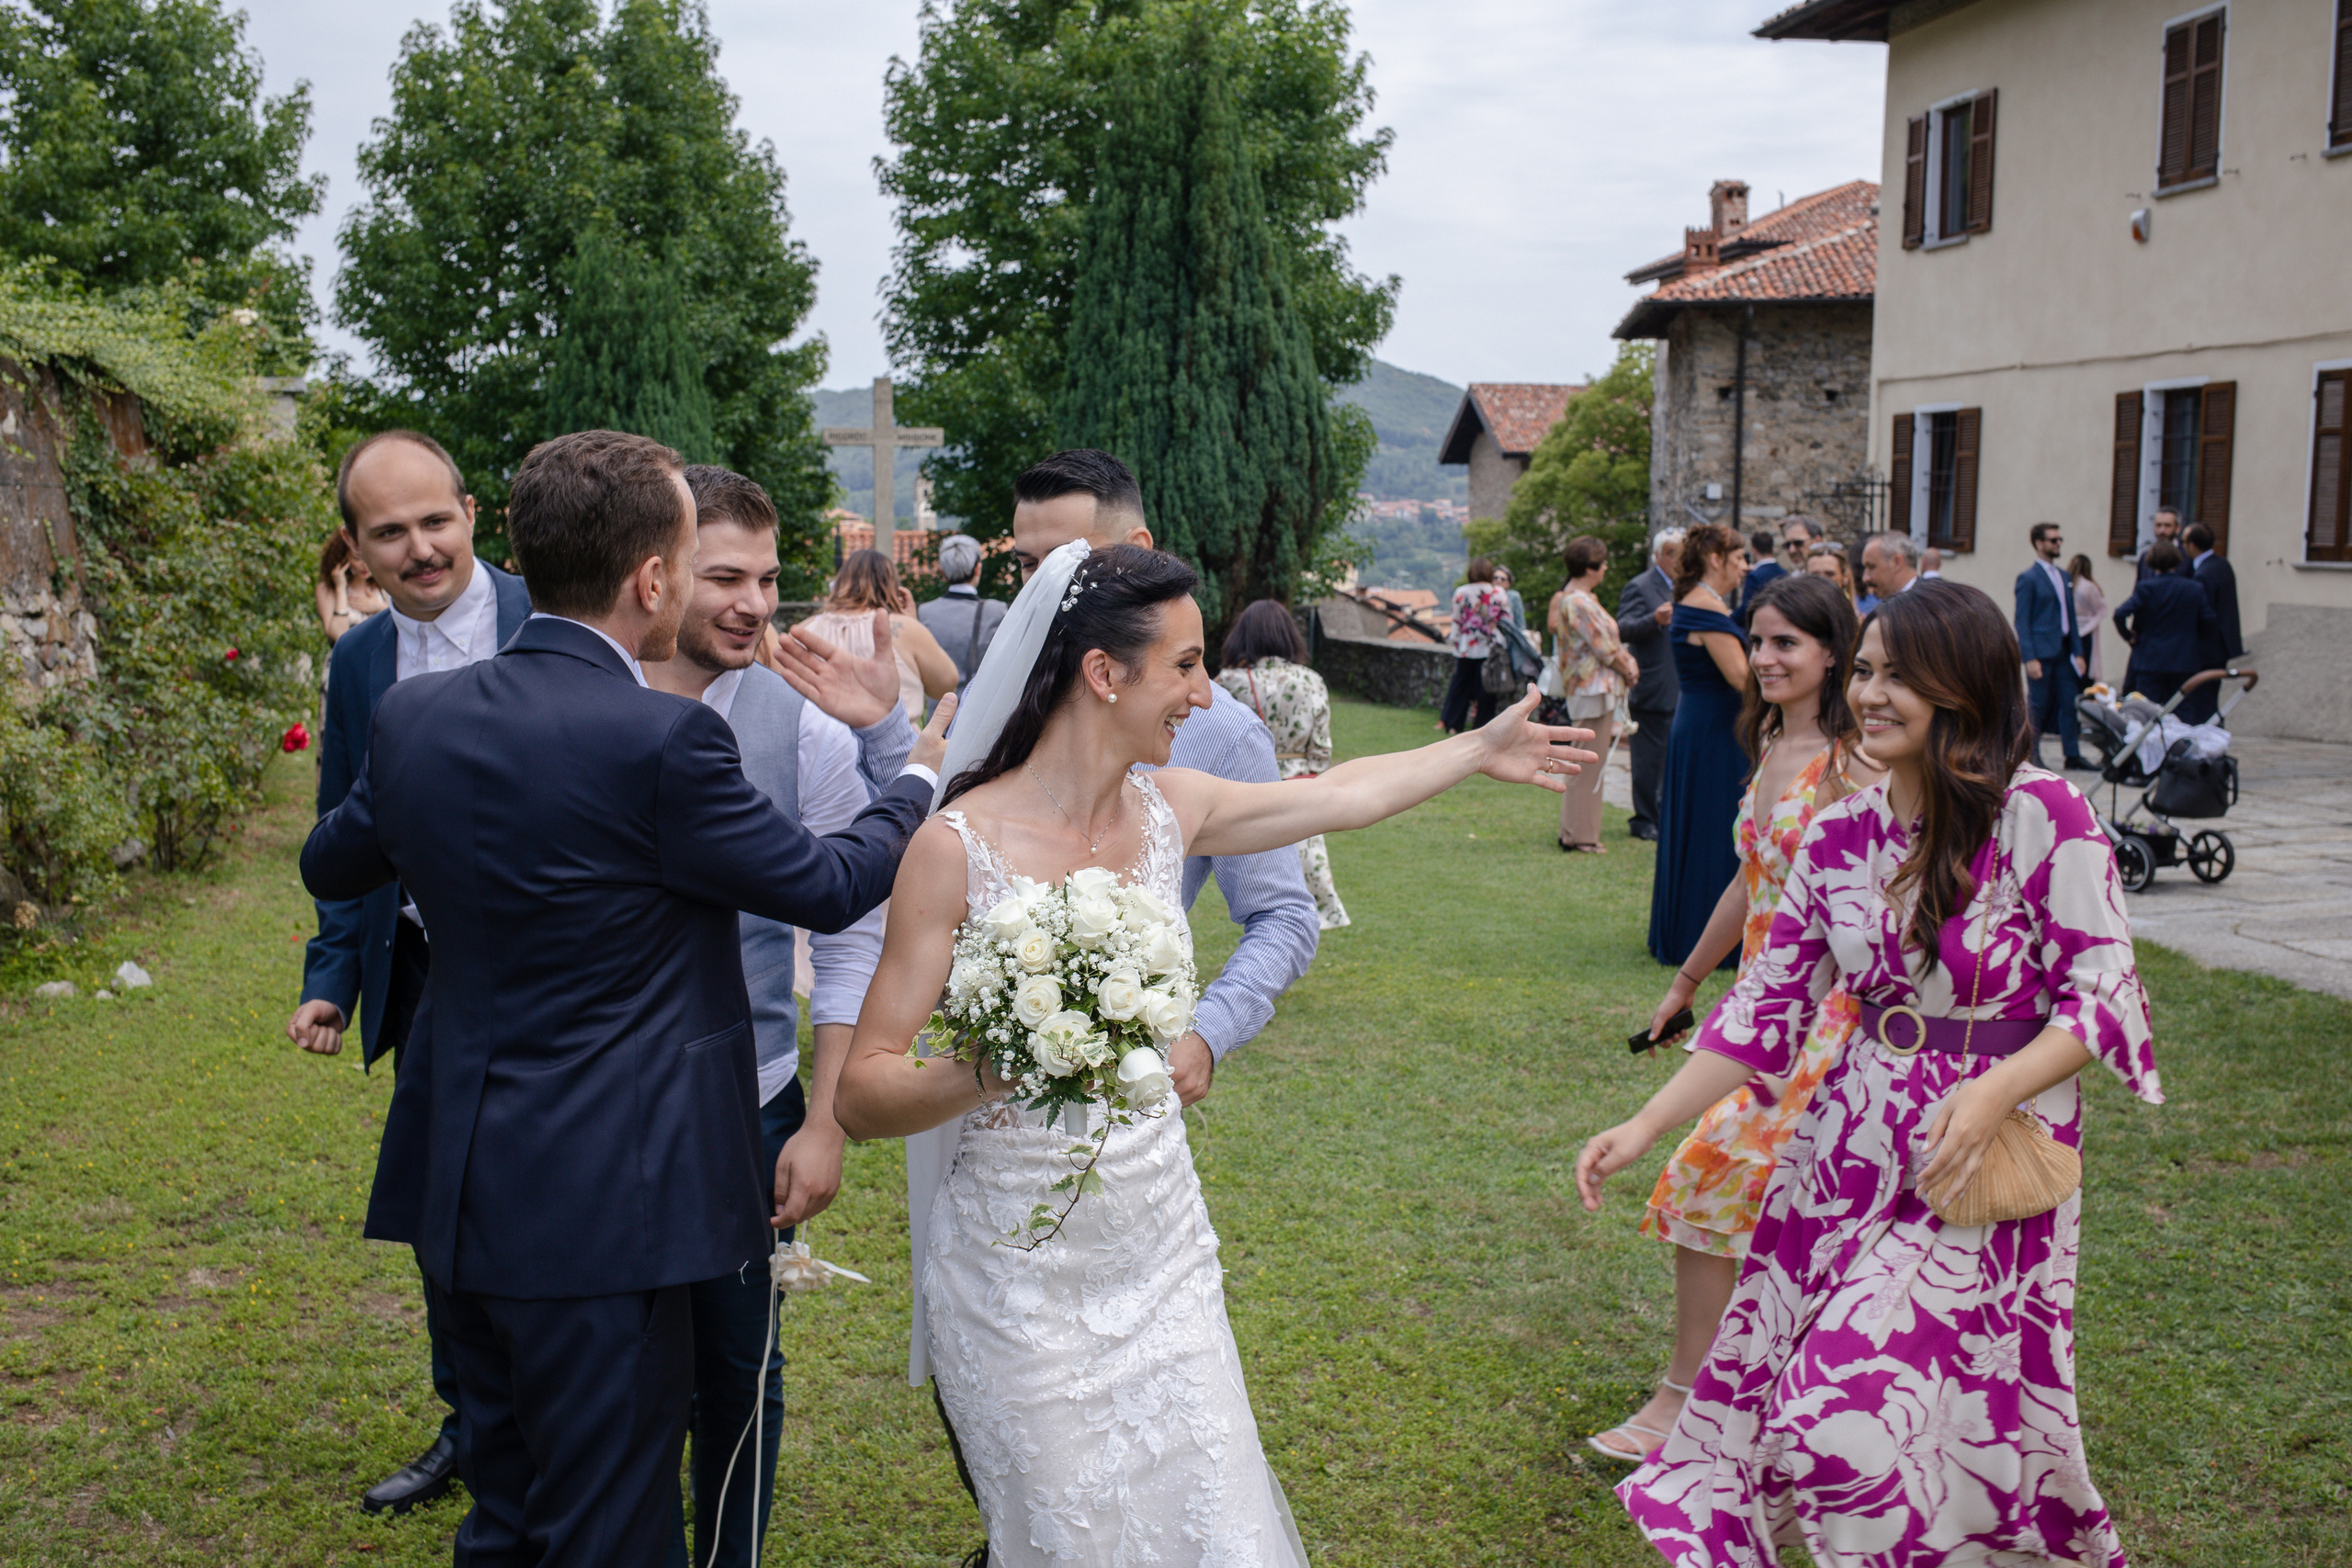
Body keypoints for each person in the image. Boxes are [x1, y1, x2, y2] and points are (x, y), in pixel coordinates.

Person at [833, 540, 1595, 1567]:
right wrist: (998, 1066)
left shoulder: (1173, 810)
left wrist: (1471, 751)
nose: (1203, 691)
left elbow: (1341, 794)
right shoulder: (953, 848)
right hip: (1016, 1282)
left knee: (1212, 1526)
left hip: (1162, 1251)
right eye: (1184, 665)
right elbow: (863, 1089)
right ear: (1105, 674)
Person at [300, 429, 948, 1565]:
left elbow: (329, 864)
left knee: (506, 1504)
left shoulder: (418, 718)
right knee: (610, 1516)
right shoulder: (664, 742)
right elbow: (835, 881)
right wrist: (917, 774)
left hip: (460, 1175)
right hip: (613, 1203)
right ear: (653, 579)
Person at [1577, 579, 2161, 1568]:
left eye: (1900, 675)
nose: (1872, 693)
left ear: (1963, 688)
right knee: (1888, 1418)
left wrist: (1992, 1089)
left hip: (1975, 1158)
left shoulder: (2042, 815)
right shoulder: (1839, 837)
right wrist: (1641, 1128)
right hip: (1846, 1148)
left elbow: (2103, 996)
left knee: (1837, 1420)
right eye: (1865, 672)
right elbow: (1763, 1005)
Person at [640, 466, 917, 1568]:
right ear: (653, 576)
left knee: (739, 1368)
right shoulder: (582, 699)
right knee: (613, 1376)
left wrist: (825, 1116)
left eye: (767, 576)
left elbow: (854, 923)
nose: (756, 603)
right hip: (599, 1112)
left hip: (749, 1100)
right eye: (724, 576)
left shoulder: (800, 722)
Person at [285, 429, 533, 1517]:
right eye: (391, 533)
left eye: (436, 521)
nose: (421, 549)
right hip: (432, 973)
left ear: (471, 513)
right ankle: (472, 1425)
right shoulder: (358, 663)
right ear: (359, 548)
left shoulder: (552, 618)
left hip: (565, 972)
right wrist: (332, 973)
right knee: (444, 1216)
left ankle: (574, 1421)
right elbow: (344, 827)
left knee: (555, 1207)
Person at [1589, 572, 1877, 1463]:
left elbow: (1869, 906)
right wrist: (1685, 983)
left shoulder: (1853, 762)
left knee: (1709, 1177)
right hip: (1758, 1007)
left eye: (1786, 642)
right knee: (1742, 1199)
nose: (1764, 658)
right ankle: (1738, 1402)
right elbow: (1751, 879)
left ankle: (1697, 1403)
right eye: (1757, 641)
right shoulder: (1772, 751)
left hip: (1827, 1024)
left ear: (1833, 652)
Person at [1647, 524, 1749, 968]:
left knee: (1701, 822)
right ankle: (1708, 937)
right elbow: (1743, 679)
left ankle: (1687, 926)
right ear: (1716, 558)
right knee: (1714, 823)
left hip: (1697, 721)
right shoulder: (1706, 608)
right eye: (1740, 556)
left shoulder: (1697, 603)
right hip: (1714, 729)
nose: (1745, 566)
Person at [1216, 600, 1351, 929]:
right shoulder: (1311, 681)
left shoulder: (1227, 682)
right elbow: (1321, 749)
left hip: (1244, 787)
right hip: (1298, 787)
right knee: (1302, 872)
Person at [795, 548, 959, 725]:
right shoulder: (906, 628)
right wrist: (913, 624)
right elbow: (946, 685)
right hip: (901, 748)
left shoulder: (805, 629)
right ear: (893, 586)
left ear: (841, 582)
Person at [1549, 534, 1638, 853]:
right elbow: (1604, 647)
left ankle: (1574, 831)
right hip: (1592, 688)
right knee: (1587, 763)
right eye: (1602, 563)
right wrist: (1627, 667)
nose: (1606, 568)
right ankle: (1580, 835)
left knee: (1586, 762)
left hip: (1590, 688)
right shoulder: (1579, 601)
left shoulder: (1576, 598)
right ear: (1590, 567)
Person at [1617, 529, 1684, 842]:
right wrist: (1653, 620)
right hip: (1653, 686)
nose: (1678, 560)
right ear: (1658, 555)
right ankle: (1644, 819)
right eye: (1671, 553)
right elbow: (1623, 628)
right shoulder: (1641, 586)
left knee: (1674, 759)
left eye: (1682, 553)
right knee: (1647, 760)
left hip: (1682, 685)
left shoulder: (1688, 587)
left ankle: (1667, 815)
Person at [2014, 522, 2093, 771]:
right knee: (2037, 705)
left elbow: (2070, 616)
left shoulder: (2064, 576)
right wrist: (2029, 657)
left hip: (2063, 650)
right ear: (2039, 544)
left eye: (2059, 540)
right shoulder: (2028, 578)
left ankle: (2072, 753)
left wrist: (2078, 651)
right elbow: (2022, 620)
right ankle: (2031, 752)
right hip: (2041, 651)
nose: (2058, 544)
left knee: (2070, 702)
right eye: (2053, 540)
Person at [2109, 540, 2215, 707]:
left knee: (2147, 712)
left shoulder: (2146, 588)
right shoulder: (2194, 588)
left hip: (2150, 659)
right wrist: (2193, 638)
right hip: (2184, 659)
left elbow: (2119, 614)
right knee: (2181, 713)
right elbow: (2208, 620)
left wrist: (2129, 636)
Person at [917, 532, 1006, 695]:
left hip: (938, 713)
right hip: (978, 709)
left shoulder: (924, 612)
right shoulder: (996, 611)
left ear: (942, 572)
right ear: (978, 568)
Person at [2181, 522, 2244, 725]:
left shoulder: (2203, 575)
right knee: (2209, 696)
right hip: (2220, 646)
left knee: (2203, 700)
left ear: (2192, 545)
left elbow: (2203, 615)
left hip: (2206, 648)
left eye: (2184, 542)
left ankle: (2209, 739)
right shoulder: (2222, 564)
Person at [1441, 558, 1511, 734]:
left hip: (1466, 646)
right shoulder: (1499, 592)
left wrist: (1456, 639)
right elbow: (1507, 619)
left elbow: (1456, 620)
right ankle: (1482, 726)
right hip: (1491, 646)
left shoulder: (1461, 592)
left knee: (1461, 686)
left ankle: (1454, 725)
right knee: (1487, 688)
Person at [314, 529, 388, 644]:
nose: (365, 564)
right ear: (343, 558)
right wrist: (340, 589)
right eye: (357, 558)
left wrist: (380, 608)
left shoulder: (385, 585)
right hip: (346, 661)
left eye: (369, 556)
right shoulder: (326, 590)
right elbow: (339, 636)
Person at [2069, 552, 2109, 684]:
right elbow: (2102, 610)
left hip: (2070, 632)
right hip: (2086, 634)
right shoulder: (2089, 586)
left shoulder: (2067, 584)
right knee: (2084, 672)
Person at [1736, 528, 1783, 629]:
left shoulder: (1754, 575)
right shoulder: (1784, 573)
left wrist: (1729, 618)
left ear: (1754, 550)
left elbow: (1746, 609)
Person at [2135, 507, 2193, 585]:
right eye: (2158, 525)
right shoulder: (2145, 557)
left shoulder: (2188, 556)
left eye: (2167, 526)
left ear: (2178, 528)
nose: (2162, 530)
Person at [1859, 530, 1921, 602]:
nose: (1865, 578)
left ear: (1897, 563)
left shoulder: (1929, 605)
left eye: (1872, 567)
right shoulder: (1886, 607)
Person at [1803, 539, 1860, 613]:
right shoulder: (1794, 615)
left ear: (1845, 577)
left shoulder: (1857, 617)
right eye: (1814, 575)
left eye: (1830, 574)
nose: (1822, 579)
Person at [1493, 563, 1528, 630]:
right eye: (1495, 578)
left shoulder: (1514, 596)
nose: (1498, 581)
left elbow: (1520, 623)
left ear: (1509, 583)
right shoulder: (1486, 595)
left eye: (1502, 579)